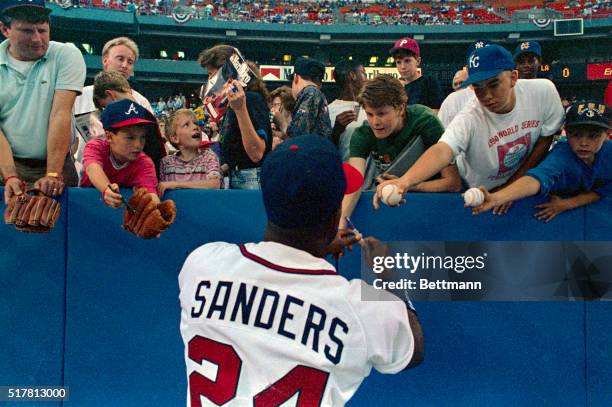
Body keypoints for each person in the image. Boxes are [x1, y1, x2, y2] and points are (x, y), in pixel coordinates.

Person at [178, 135, 424, 406]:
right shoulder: (358, 307)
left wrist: (313, 247)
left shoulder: (203, 265)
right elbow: (412, 350)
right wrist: (387, 272)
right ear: (334, 218)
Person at [375, 44, 565, 215]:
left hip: (520, 182)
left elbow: (545, 139)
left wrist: (513, 185)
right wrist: (404, 182)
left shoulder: (543, 92)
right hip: (475, 189)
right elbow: (443, 150)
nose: (486, 95)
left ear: (513, 77)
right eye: (478, 87)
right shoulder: (470, 116)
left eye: (493, 84)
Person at [339, 75, 461, 229]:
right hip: (395, 212)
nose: (375, 122)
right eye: (370, 114)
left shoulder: (425, 122)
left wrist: (405, 184)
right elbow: (355, 184)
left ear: (401, 108)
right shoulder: (362, 134)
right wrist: (340, 226)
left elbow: (453, 183)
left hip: (436, 210)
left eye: (381, 113)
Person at [0, 0, 86, 197]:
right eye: (27, 31)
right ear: (5, 29)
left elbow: (60, 113)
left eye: (42, 30)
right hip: (7, 162)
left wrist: (53, 173)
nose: (37, 39)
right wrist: (10, 176)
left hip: (57, 161)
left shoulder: (66, 54)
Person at [472, 100, 611, 222]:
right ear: (566, 132)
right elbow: (535, 179)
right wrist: (499, 197)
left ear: (607, 134)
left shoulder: (608, 152)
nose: (584, 143)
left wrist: (567, 204)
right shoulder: (562, 156)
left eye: (593, 136)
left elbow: (603, 191)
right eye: (576, 135)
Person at [79, 99, 159, 207]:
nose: (138, 144)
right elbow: (92, 168)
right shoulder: (96, 146)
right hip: (85, 209)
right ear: (109, 136)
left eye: (142, 137)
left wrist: (155, 210)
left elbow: (151, 196)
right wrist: (106, 189)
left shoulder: (144, 163)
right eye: (130, 137)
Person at [73, 37, 153, 140]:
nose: (125, 65)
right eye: (120, 59)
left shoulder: (141, 102)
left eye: (130, 62)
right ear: (105, 60)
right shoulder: (80, 95)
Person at [90, 70, 167, 177]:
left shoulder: (145, 116)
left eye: (105, 106)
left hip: (140, 180)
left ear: (110, 95)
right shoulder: (147, 114)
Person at [158, 109, 222, 196]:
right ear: (175, 138)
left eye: (196, 123)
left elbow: (215, 184)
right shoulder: (166, 163)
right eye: (186, 125)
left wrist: (176, 184)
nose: (195, 127)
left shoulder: (209, 157)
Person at [328, 59, 368, 161]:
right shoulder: (328, 111)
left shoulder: (371, 107)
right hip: (346, 173)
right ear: (352, 75)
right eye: (363, 73)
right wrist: (336, 131)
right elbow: (325, 151)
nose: (367, 78)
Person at [389, 37, 443, 111]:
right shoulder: (396, 88)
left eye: (407, 61)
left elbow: (439, 112)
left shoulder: (429, 82)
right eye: (398, 62)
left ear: (418, 61)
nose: (403, 66)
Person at [286, 57, 332, 139]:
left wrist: (282, 123)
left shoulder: (311, 93)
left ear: (296, 77)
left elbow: (298, 135)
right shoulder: (314, 93)